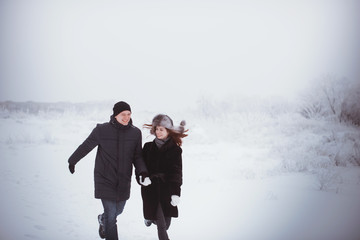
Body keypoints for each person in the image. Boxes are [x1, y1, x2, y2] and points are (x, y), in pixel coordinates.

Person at [67, 101, 151, 240]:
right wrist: (72, 160)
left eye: (129, 114)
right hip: (104, 177)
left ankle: (102, 219)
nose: (126, 117)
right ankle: (107, 223)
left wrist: (142, 172)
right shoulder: (102, 130)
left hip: (123, 179)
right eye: (123, 114)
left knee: (119, 210)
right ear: (115, 115)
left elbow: (137, 156)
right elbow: (86, 145)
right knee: (111, 215)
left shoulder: (135, 133)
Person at [139, 114, 187, 240]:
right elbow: (140, 167)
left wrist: (176, 193)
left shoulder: (175, 150)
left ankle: (150, 218)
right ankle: (152, 218)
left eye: (161, 129)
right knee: (161, 225)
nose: (158, 132)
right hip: (151, 189)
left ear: (168, 131)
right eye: (156, 129)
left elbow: (177, 172)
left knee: (166, 224)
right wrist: (143, 178)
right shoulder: (148, 147)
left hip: (167, 190)